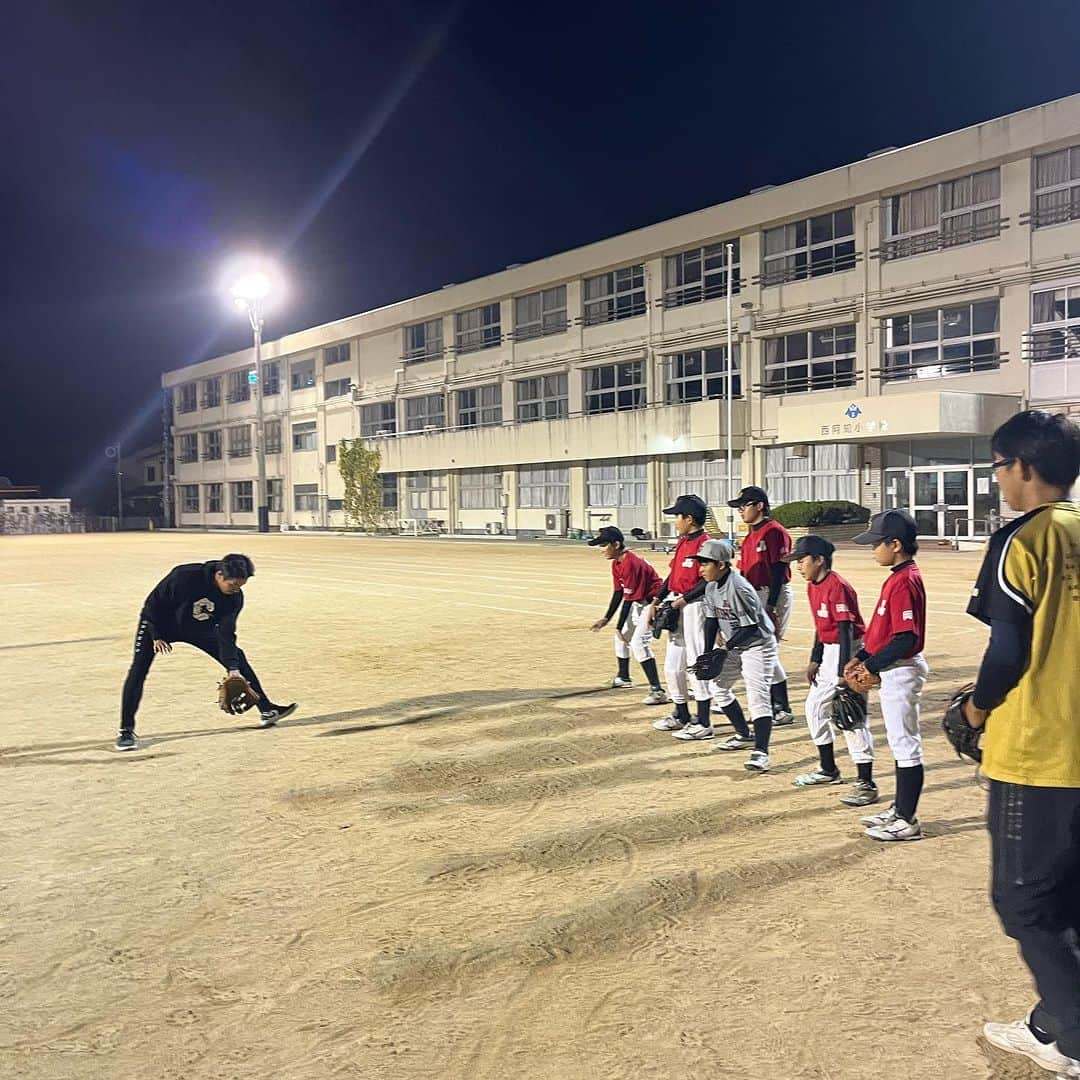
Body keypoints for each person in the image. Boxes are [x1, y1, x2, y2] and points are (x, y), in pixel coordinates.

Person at [962, 411, 1080, 1078]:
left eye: (1000, 467)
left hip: (1040, 751)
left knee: (1025, 902)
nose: (1000, 480)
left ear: (1024, 468)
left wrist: (975, 710)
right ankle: (1051, 1023)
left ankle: (1075, 1037)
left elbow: (1006, 651)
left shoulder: (1024, 538)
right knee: (1072, 901)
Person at [116, 554, 296, 750]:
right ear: (219, 575)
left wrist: (233, 668)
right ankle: (126, 731)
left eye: (241, 586)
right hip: (160, 626)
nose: (236, 589)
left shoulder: (234, 598)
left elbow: (227, 634)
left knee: (239, 658)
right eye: (233, 584)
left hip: (198, 629)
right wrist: (156, 635)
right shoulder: (184, 576)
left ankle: (267, 709)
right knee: (138, 670)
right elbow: (153, 605)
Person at [844, 509, 928, 841]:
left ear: (895, 544)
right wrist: (861, 656)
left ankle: (907, 820)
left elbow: (906, 638)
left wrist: (870, 666)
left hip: (902, 670)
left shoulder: (905, 580)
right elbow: (884, 632)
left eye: (877, 543)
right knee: (898, 742)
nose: (872, 549)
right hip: (892, 668)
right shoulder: (896, 576)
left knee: (905, 744)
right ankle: (899, 809)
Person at [784, 535, 877, 805]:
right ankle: (828, 769)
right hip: (829, 650)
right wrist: (815, 658)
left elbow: (846, 629)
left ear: (819, 560)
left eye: (801, 561)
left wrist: (842, 674)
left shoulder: (838, 586)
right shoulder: (814, 585)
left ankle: (866, 782)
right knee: (815, 708)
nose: (798, 566)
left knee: (849, 714)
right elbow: (821, 627)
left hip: (849, 652)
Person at [691, 539, 778, 772]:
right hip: (734, 644)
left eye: (705, 563)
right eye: (699, 563)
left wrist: (725, 649)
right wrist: (708, 652)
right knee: (718, 689)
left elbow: (750, 628)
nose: (700, 568)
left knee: (757, 697)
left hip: (758, 645)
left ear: (721, 564)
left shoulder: (738, 587)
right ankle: (743, 734)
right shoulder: (710, 586)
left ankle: (761, 752)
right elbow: (711, 621)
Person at [726, 486, 795, 724]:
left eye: (744, 506)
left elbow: (778, 570)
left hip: (770, 593)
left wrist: (772, 606)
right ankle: (777, 705)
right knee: (760, 648)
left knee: (766, 648)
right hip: (753, 595)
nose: (740, 511)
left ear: (759, 506)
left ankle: (780, 706)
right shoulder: (749, 536)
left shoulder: (774, 532)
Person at [648, 494, 713, 738]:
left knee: (697, 664)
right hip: (677, 604)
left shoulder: (705, 545)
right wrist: (656, 600)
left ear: (689, 518)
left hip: (696, 606)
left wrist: (681, 601)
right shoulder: (683, 542)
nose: (675, 520)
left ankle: (704, 722)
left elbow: (707, 580)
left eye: (677, 516)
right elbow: (672, 576)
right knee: (673, 667)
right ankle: (681, 713)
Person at [588, 525, 669, 704]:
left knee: (638, 643)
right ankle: (624, 677)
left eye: (603, 545)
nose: (601, 550)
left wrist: (618, 625)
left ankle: (658, 690)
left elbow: (629, 599)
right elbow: (619, 592)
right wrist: (607, 618)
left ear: (616, 544)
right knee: (622, 637)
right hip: (640, 602)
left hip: (654, 603)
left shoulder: (631, 563)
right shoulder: (617, 563)